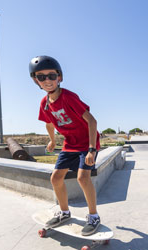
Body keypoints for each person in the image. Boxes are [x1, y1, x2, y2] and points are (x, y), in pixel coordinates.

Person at [32, 55, 104, 235]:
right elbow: (49, 123)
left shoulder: (69, 98)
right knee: (55, 178)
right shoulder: (44, 103)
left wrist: (92, 149)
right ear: (36, 81)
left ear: (59, 77)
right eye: (41, 77)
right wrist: (53, 140)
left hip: (87, 143)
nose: (47, 80)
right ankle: (64, 212)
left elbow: (92, 121)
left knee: (82, 178)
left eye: (51, 76)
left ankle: (94, 216)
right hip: (70, 144)